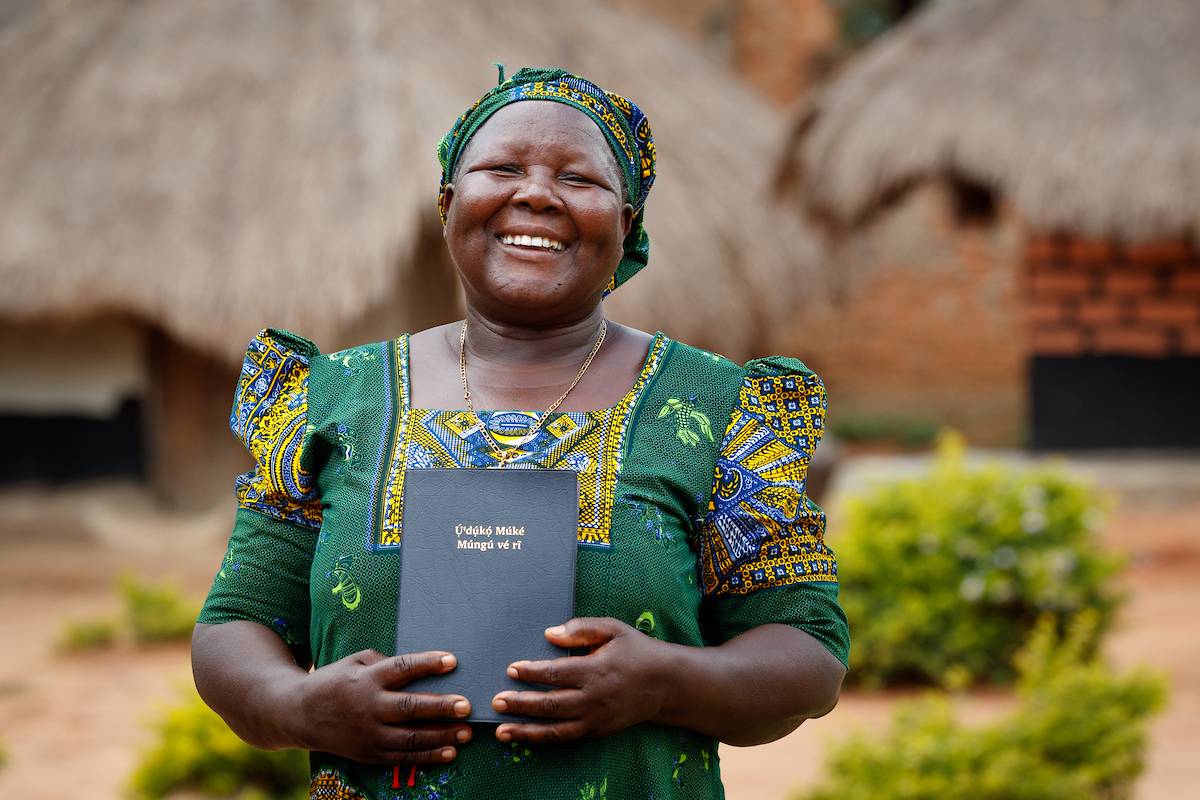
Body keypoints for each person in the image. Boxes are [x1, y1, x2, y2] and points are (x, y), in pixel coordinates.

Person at [192, 66, 848, 800]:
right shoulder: (330, 399)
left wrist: (668, 681)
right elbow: (235, 627)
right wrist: (298, 706)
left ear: (627, 222)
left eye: (579, 178)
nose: (536, 193)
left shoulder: (719, 409)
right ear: (449, 205)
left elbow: (806, 652)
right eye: (502, 168)